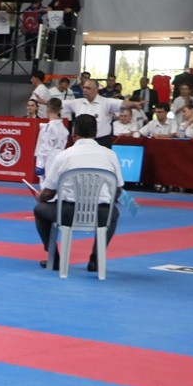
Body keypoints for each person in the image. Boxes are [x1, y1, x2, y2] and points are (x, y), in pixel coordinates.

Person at [32, 114, 122, 273]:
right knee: (113, 213)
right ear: (95, 132)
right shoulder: (110, 155)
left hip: (68, 213)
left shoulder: (64, 155)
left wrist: (40, 198)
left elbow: (48, 192)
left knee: (40, 211)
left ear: (73, 132)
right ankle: (96, 259)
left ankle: (55, 258)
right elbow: (118, 189)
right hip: (101, 214)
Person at [62, 78, 140, 148]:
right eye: (84, 88)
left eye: (88, 88)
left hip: (102, 141)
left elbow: (122, 103)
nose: (84, 90)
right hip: (80, 142)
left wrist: (135, 104)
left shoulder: (106, 102)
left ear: (96, 89)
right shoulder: (77, 102)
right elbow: (58, 104)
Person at [33, 98, 69, 179]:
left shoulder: (48, 128)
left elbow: (44, 148)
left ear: (48, 109)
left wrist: (40, 165)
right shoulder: (64, 128)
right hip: (60, 157)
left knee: (47, 183)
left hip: (49, 158)